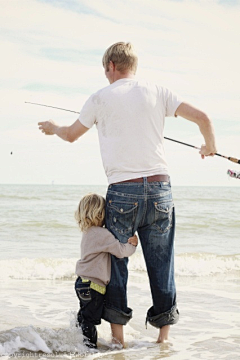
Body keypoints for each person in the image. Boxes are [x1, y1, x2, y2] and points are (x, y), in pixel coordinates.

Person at [38, 42, 217, 346]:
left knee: (117, 264)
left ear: (110, 66)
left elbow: (70, 135)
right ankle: (163, 338)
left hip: (122, 191)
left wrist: (54, 127)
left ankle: (118, 339)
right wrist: (209, 145)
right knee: (162, 264)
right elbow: (203, 118)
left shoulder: (99, 97)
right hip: (161, 190)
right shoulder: (159, 91)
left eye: (104, 69)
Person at [74, 193, 138, 348]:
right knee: (90, 320)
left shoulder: (88, 233)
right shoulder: (101, 234)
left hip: (82, 283)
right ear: (102, 214)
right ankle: (89, 350)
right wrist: (133, 244)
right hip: (93, 285)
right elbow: (121, 251)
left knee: (84, 316)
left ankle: (76, 341)